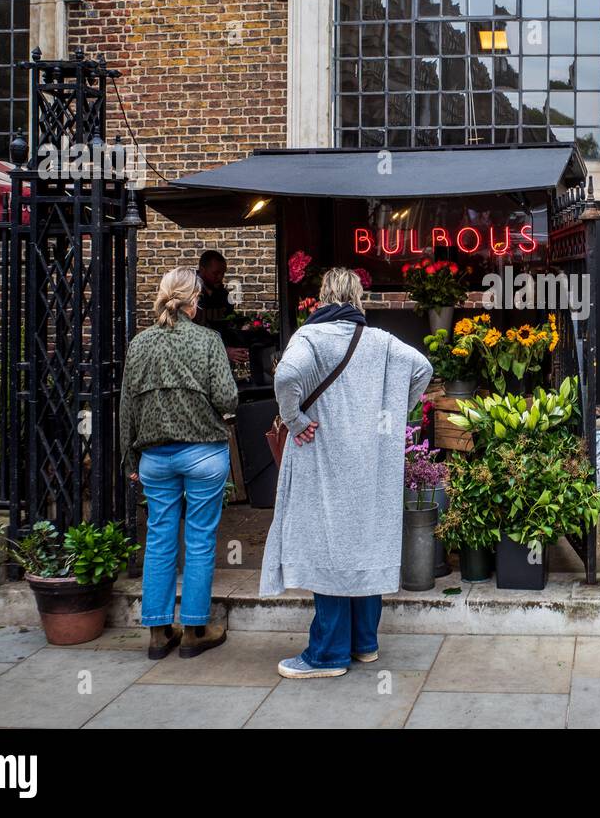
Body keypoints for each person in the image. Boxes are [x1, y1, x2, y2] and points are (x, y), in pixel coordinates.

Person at [262, 267, 432, 678]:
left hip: (323, 457)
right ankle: (365, 644)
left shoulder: (309, 337)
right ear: (358, 298)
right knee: (365, 542)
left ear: (323, 295)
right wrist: (393, 413)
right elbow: (423, 367)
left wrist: (296, 420)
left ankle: (328, 654)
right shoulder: (382, 341)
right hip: (371, 461)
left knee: (328, 545)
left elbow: (286, 374)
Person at [119, 266, 239, 660]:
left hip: (154, 457)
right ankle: (194, 630)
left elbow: (127, 407)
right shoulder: (207, 340)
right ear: (195, 301)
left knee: (158, 540)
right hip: (204, 453)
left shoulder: (140, 344)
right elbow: (228, 400)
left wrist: (129, 456)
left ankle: (157, 633)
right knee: (201, 540)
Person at [196, 249, 249, 366]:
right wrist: (223, 351)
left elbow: (228, 319)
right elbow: (192, 337)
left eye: (223, 273)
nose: (220, 277)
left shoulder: (221, 293)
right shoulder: (190, 294)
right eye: (215, 273)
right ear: (202, 270)